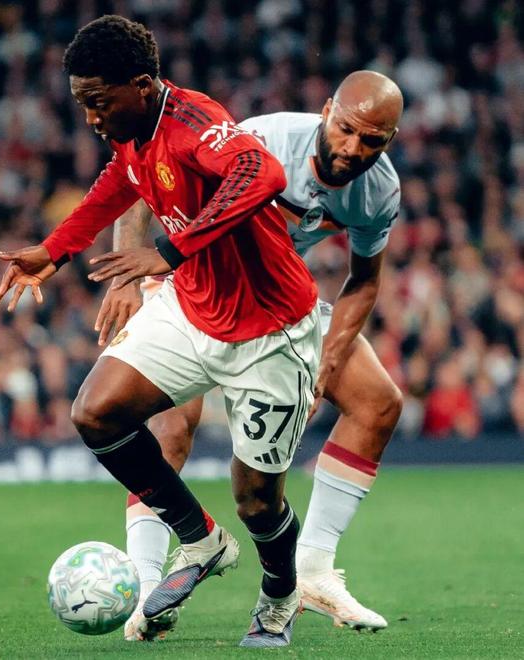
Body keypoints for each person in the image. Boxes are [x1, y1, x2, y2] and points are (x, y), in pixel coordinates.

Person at [0, 16, 322, 647]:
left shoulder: (194, 121)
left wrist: (168, 251)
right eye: (82, 103)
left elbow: (263, 175)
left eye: (98, 101)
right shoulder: (132, 134)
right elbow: (117, 185)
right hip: (193, 309)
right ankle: (200, 539)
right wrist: (54, 250)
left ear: (141, 85)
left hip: (270, 331)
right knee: (96, 412)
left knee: (256, 499)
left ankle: (280, 593)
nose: (91, 117)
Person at [97, 70, 404, 639]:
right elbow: (141, 179)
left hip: (277, 300)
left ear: (390, 140)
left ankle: (312, 572)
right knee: (167, 427)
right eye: (345, 129)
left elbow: (364, 279)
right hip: (194, 277)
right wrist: (130, 279)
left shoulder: (379, 190)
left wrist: (326, 363)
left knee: (378, 404)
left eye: (373, 141)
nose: (352, 148)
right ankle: (146, 584)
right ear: (326, 109)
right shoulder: (263, 140)